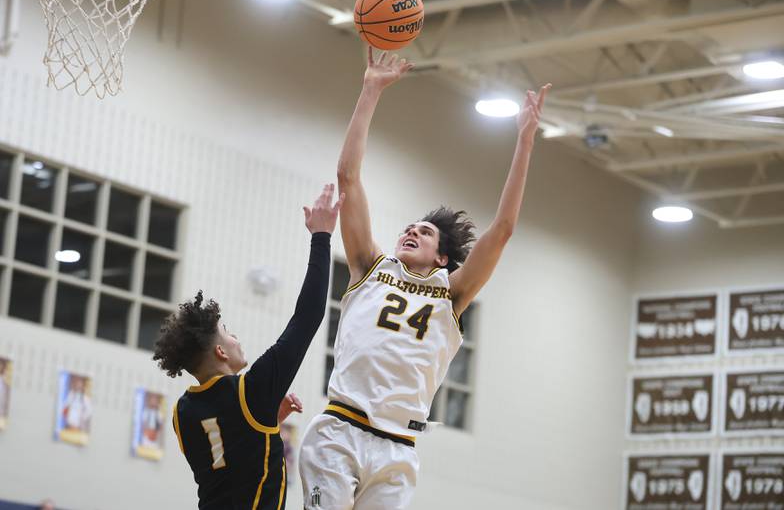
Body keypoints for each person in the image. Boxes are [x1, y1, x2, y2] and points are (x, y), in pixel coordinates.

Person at [299, 48, 550, 510]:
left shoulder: (451, 296)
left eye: (426, 231)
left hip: (398, 448)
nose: (412, 230)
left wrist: (525, 142)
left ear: (444, 256)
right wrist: (370, 89)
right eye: (409, 227)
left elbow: (504, 230)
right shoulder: (369, 266)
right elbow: (348, 177)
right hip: (339, 430)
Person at [154, 184, 343, 510]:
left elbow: (231, 458)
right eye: (228, 334)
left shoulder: (181, 413)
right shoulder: (250, 391)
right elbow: (308, 316)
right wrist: (322, 237)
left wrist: (268, 422)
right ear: (221, 352)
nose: (236, 338)